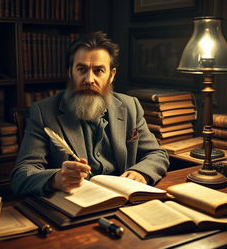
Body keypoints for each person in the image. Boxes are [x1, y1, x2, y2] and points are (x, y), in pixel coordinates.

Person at [11, 31, 170, 196]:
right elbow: (21, 175)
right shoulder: (43, 112)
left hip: (123, 201)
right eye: (82, 69)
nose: (89, 79)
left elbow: (157, 154)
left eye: (99, 70)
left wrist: (141, 173)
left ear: (111, 75)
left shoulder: (130, 106)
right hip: (77, 205)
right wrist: (55, 179)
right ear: (70, 72)